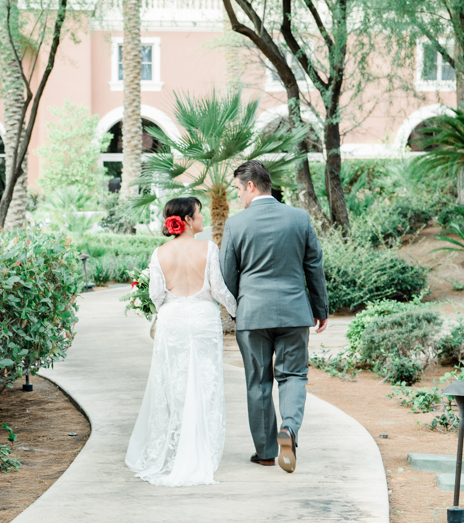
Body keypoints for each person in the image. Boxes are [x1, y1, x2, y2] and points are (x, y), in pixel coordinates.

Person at [220, 160, 328, 473]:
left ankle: (266, 452)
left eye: (239, 189)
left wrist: (237, 312)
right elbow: (314, 267)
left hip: (253, 315)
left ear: (251, 185)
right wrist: (320, 309)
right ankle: (289, 429)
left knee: (258, 382)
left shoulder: (236, 225)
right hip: (294, 312)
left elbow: (227, 276)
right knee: (293, 375)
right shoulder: (299, 218)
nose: (238, 196)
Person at [126, 197, 237, 486]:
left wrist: (171, 307)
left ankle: (173, 453)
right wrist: (238, 313)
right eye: (199, 213)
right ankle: (201, 451)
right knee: (205, 384)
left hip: (172, 321)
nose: (202, 218)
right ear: (187, 220)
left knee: (173, 385)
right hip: (203, 320)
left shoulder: (159, 252)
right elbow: (219, 291)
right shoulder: (208, 248)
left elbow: (155, 295)